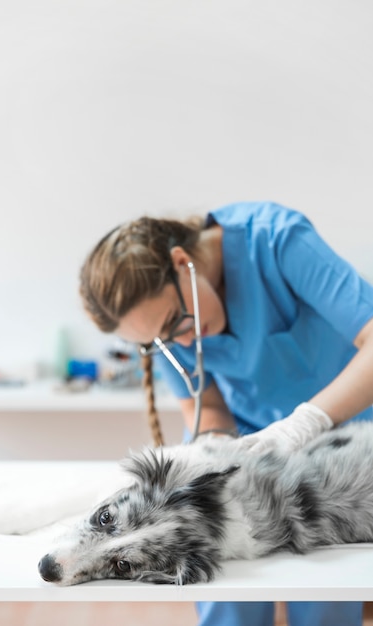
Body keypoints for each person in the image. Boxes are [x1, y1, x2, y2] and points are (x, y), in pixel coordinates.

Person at [80, 201, 373, 626]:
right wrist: (212, 448)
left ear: (182, 263)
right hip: (247, 452)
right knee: (225, 589)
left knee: (323, 596)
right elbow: (209, 408)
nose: (178, 340)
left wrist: (305, 422)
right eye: (159, 339)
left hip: (344, 446)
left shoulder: (276, 241)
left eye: (173, 321)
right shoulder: (167, 331)